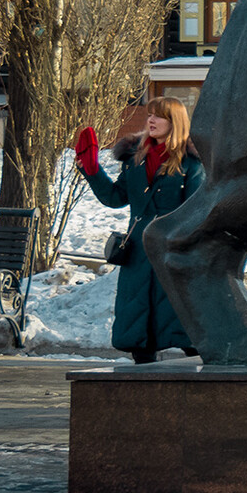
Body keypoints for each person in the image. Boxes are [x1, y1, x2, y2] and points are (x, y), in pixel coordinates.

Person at [73, 99, 204, 365]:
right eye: (150, 115)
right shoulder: (135, 158)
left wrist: (184, 245)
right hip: (138, 251)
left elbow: (197, 211)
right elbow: (114, 197)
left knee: (182, 321)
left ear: (175, 122)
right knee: (137, 318)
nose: (151, 121)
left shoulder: (191, 163)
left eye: (160, 117)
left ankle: (203, 381)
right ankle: (142, 374)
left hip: (173, 250)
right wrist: (92, 170)